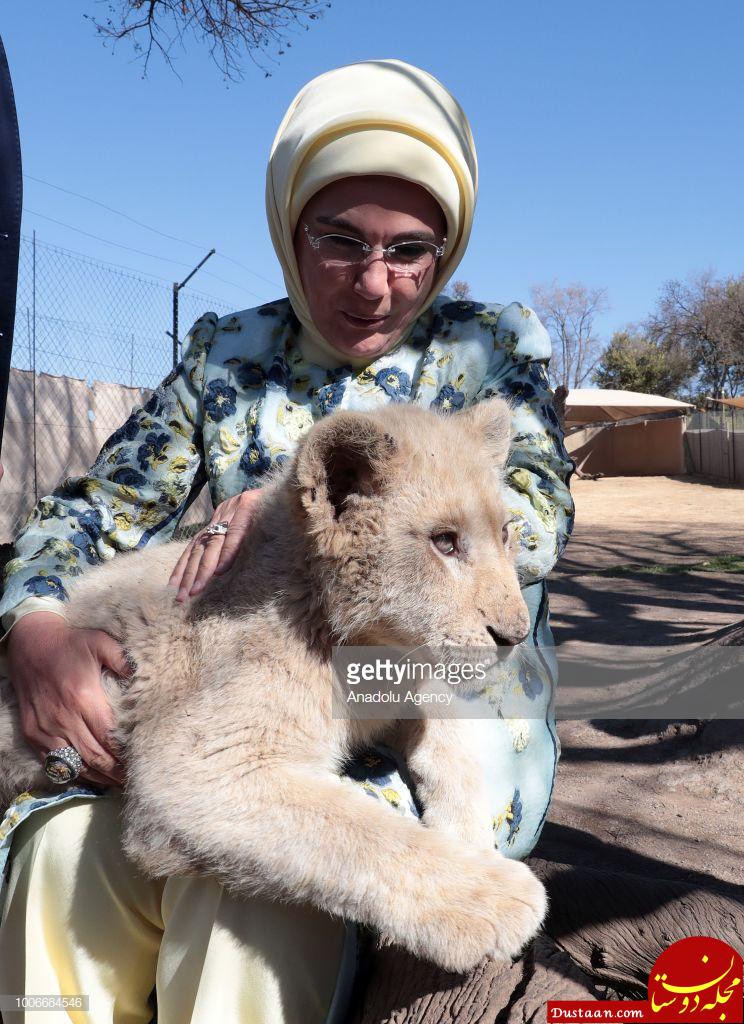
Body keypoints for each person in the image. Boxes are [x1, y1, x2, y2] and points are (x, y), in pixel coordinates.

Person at [0, 59, 574, 1024]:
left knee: (258, 893)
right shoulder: (226, 357)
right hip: (245, 672)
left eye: (413, 249)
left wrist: (283, 502)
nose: (376, 282)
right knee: (65, 860)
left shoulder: (491, 346)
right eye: (340, 238)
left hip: (424, 673)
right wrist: (32, 622)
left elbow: (529, 511)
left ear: (448, 247)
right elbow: (89, 511)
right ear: (288, 223)